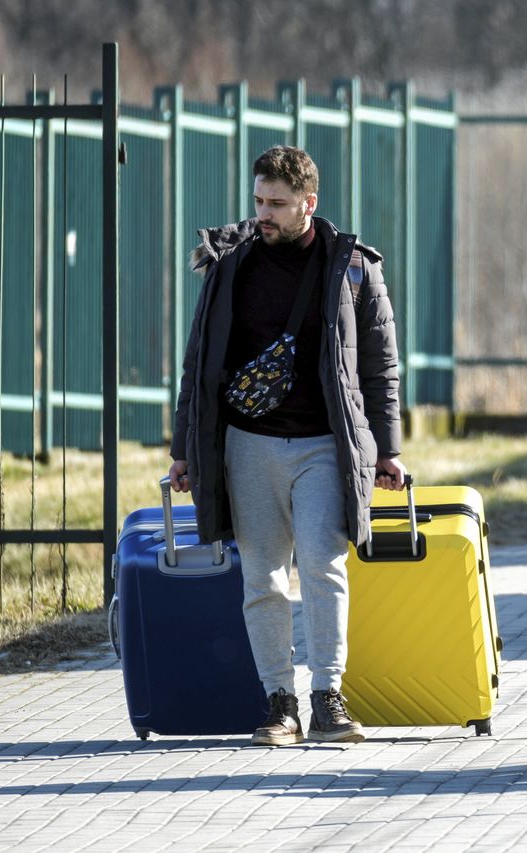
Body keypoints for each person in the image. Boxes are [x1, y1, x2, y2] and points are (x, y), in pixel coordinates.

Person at [168, 145, 408, 747]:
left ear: (309, 202)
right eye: (258, 201)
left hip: (326, 445)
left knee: (325, 568)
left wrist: (387, 448)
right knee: (264, 579)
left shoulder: (351, 266)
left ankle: (328, 697)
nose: (264, 214)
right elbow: (197, 365)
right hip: (247, 447)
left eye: (276, 203)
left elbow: (380, 367)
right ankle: (281, 704)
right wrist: (183, 451)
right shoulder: (230, 264)